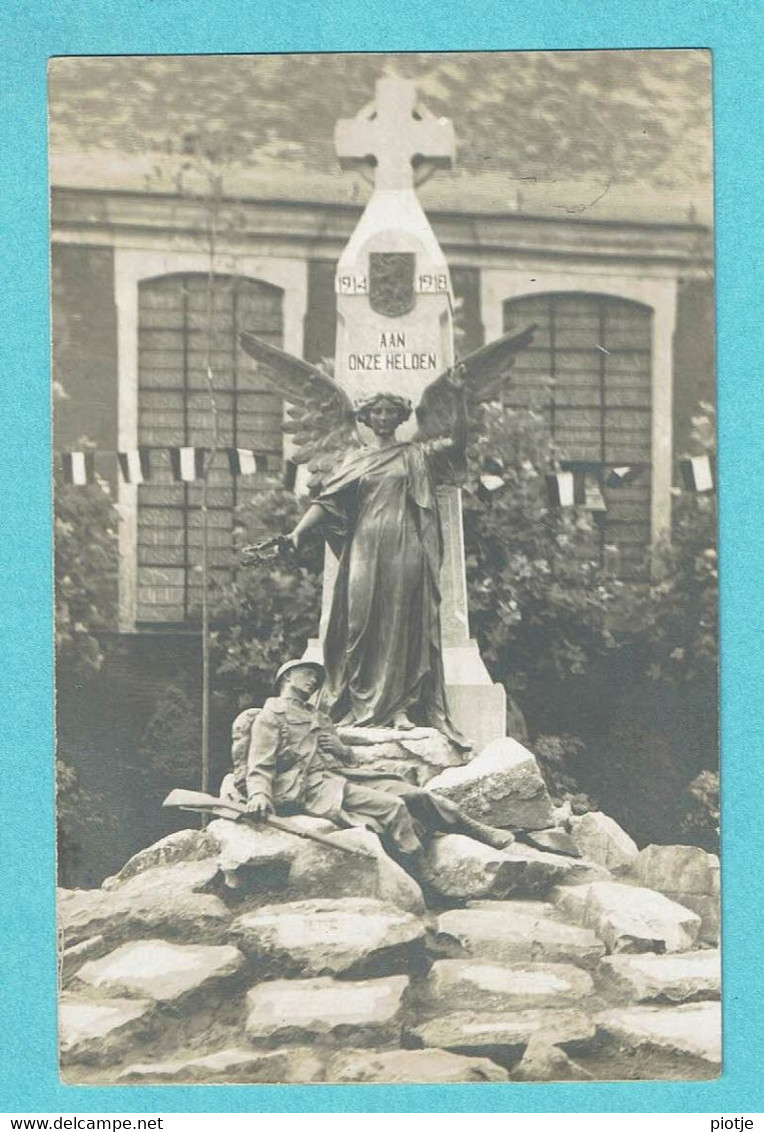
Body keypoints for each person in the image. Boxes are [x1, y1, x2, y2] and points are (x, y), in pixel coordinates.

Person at [285, 375, 468, 743]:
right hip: (365, 546)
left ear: (401, 417)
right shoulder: (356, 459)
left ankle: (399, 708)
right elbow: (327, 501)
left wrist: (461, 397)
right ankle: (358, 702)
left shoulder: (416, 454)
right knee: (359, 623)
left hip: (406, 545)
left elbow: (458, 443)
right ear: (366, 418)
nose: (383, 417)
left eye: (390, 411)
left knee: (401, 624)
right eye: (376, 411)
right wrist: (297, 532)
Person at [242, 659, 513, 883]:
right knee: (393, 807)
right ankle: (424, 878)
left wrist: (340, 748)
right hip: (314, 788)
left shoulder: (319, 717)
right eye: (308, 674)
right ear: (288, 676)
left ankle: (474, 829)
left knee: (417, 795)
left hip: (342, 777)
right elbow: (260, 763)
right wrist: (259, 795)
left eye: (316, 677)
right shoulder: (271, 716)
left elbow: (348, 760)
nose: (314, 681)